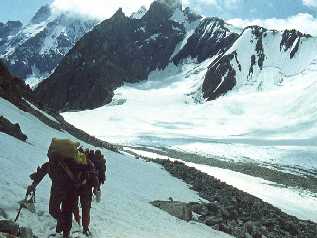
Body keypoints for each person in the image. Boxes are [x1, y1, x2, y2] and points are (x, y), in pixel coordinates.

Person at [27, 139, 91, 238]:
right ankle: (64, 232)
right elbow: (84, 174)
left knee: (55, 211)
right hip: (71, 192)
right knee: (66, 212)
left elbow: (40, 174)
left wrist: (33, 185)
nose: (48, 154)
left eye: (49, 152)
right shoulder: (64, 164)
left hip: (59, 190)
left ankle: (63, 231)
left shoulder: (53, 164)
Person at [74, 149, 106, 236]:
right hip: (86, 191)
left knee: (74, 206)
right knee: (86, 210)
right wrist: (96, 189)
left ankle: (77, 222)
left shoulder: (76, 163)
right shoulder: (90, 165)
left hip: (76, 189)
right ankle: (85, 228)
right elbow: (95, 180)